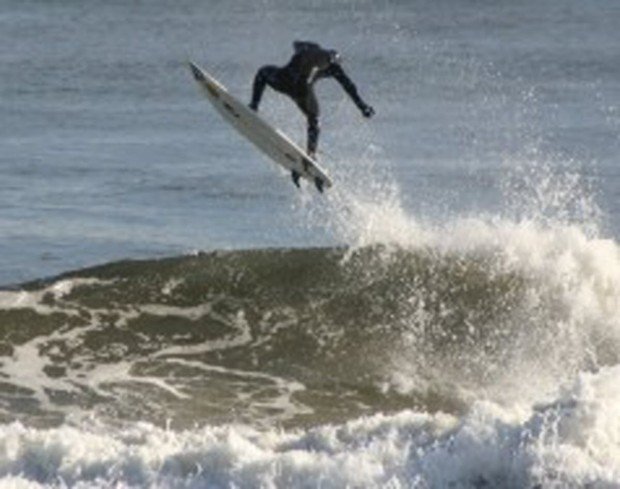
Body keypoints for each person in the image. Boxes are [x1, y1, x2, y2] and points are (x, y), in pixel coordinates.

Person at [249, 41, 375, 189]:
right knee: (314, 118)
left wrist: (362, 106)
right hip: (297, 89)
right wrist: (362, 107)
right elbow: (349, 86)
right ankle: (311, 153)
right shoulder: (326, 62)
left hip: (287, 83)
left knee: (263, 73)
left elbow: (349, 86)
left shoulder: (321, 59)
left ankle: (254, 106)